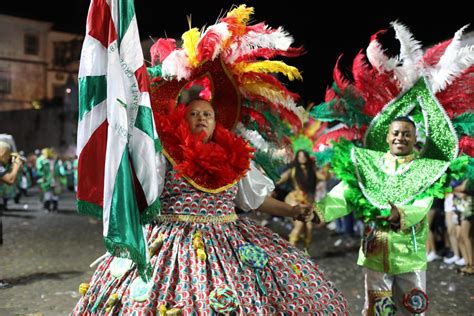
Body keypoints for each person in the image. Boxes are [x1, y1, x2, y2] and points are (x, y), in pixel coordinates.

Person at [73, 4, 348, 314]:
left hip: (228, 242)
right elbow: (138, 189)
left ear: (219, 121)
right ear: (181, 118)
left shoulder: (236, 158)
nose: (202, 118)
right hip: (172, 245)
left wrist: (293, 210)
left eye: (208, 114)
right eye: (194, 114)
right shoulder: (162, 155)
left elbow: (254, 200)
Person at [310, 22, 473, 315]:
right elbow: (350, 190)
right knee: (377, 308)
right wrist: (322, 211)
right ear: (387, 136)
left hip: (409, 252)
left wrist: (401, 213)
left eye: (406, 134)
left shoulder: (424, 167)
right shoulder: (371, 163)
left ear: (415, 139)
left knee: (412, 307)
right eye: (395, 133)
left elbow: (424, 200)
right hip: (374, 251)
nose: (400, 137)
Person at [276, 149, 318, 248]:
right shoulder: (293, 170)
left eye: (304, 156)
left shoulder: (312, 170)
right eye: (299, 156)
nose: (302, 158)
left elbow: (324, 177)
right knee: (299, 224)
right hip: (295, 199)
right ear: (297, 158)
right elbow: (278, 180)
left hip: (308, 200)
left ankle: (305, 251)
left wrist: (327, 167)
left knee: (309, 227)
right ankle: (291, 248)